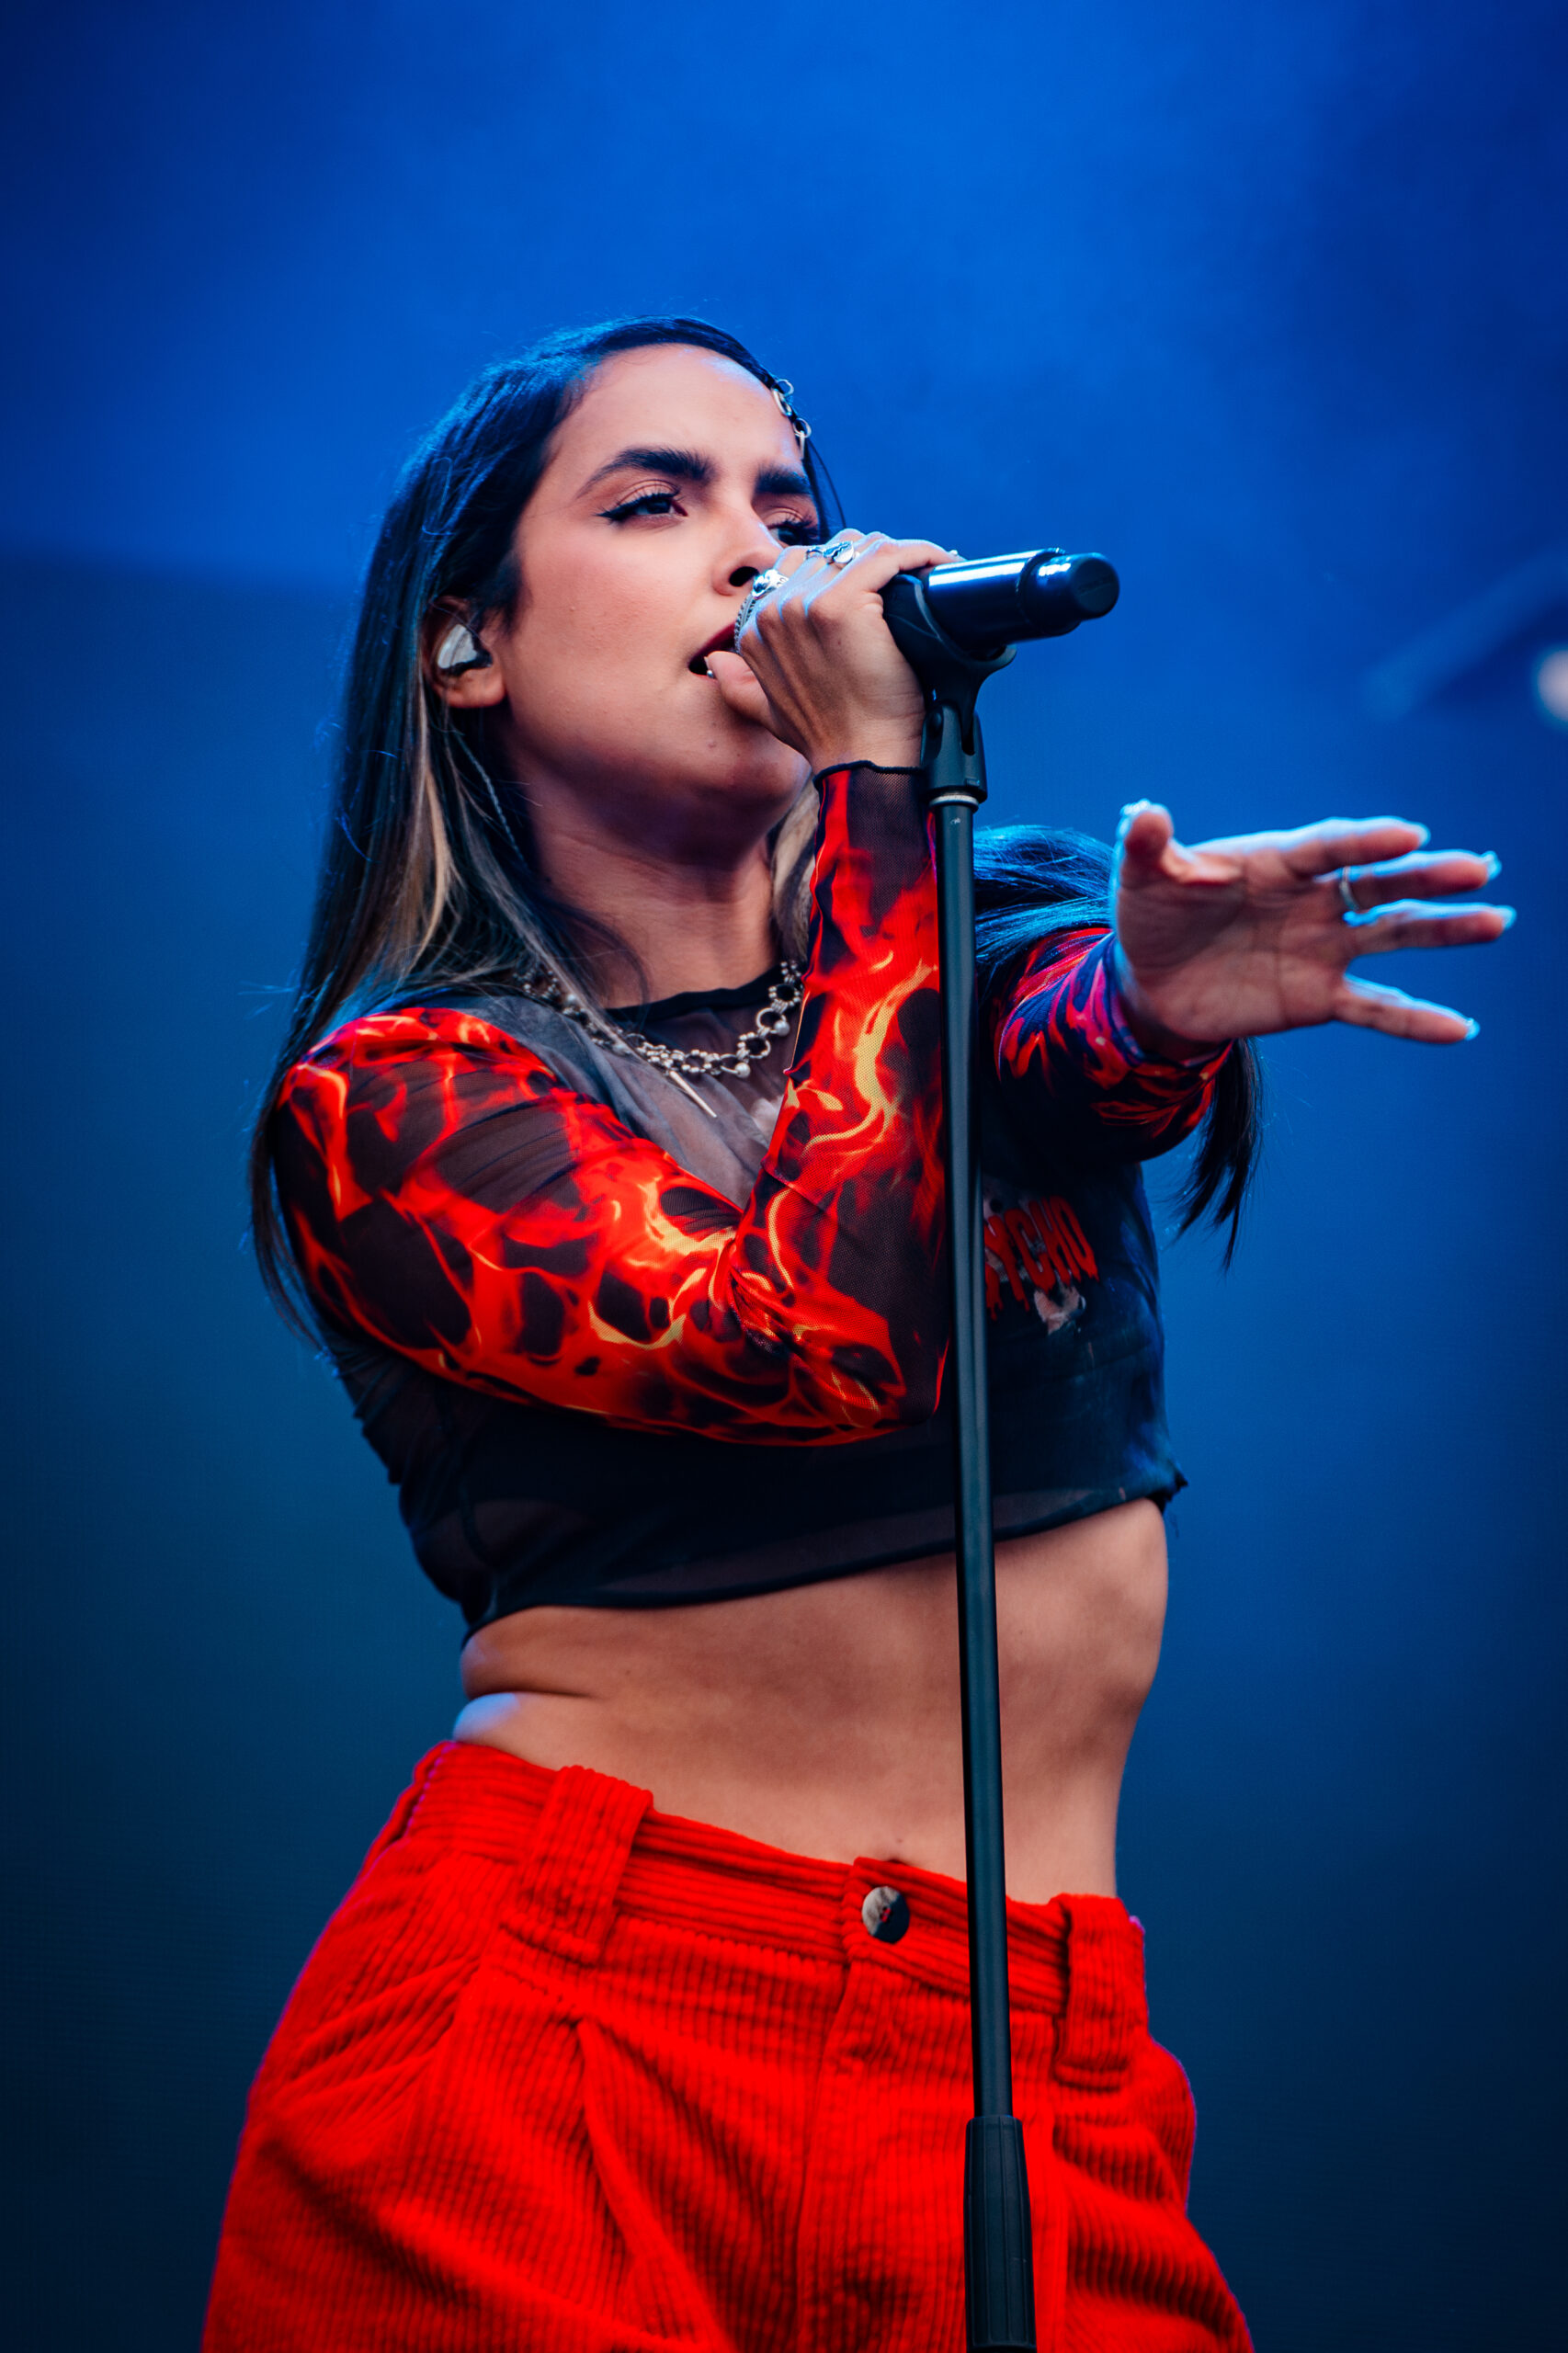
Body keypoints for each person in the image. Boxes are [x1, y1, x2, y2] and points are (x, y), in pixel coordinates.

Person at [203, 317, 1508, 2352]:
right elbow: (820, 1336)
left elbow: (1063, 1046)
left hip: (1025, 2051)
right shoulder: (400, 1098)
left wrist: (1149, 1007)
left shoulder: (976, 961)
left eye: (789, 510)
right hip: (578, 2035)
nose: (759, 555)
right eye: (656, 503)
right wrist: (876, 783)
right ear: (465, 642)